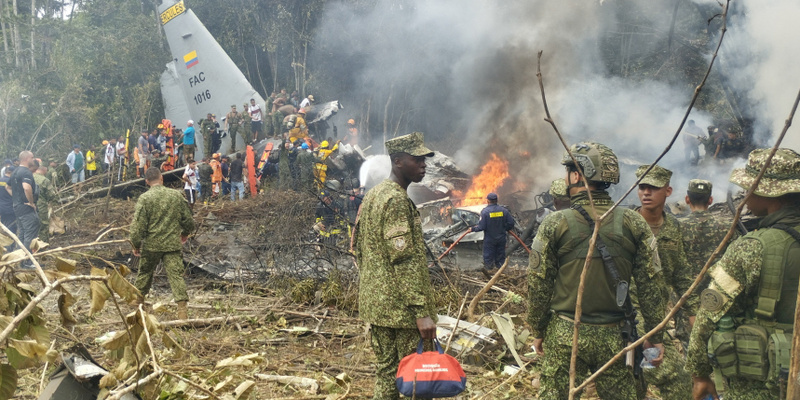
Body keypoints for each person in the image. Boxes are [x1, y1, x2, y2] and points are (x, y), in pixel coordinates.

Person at [528, 142, 666, 400]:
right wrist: (655, 336)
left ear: (578, 175)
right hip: (617, 335)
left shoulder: (555, 223)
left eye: (569, 170)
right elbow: (652, 285)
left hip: (566, 334)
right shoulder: (633, 221)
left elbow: (538, 284)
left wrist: (538, 328)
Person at [688, 147, 800, 400]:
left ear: (769, 193)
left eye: (749, 187)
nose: (744, 194)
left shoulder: (753, 246)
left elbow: (708, 315)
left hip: (762, 383)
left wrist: (700, 374)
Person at [352, 131, 438, 400]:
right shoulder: (397, 201)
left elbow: (357, 247)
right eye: (417, 159)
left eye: (424, 159)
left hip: (378, 307)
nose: (424, 165)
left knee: (387, 373)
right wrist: (421, 311)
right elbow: (404, 261)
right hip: (402, 313)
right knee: (416, 380)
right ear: (398, 161)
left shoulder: (374, 195)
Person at [633, 165, 693, 400]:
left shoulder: (673, 227)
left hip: (654, 320)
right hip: (629, 319)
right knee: (674, 377)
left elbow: (681, 274)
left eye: (653, 188)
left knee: (638, 380)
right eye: (642, 188)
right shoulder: (626, 226)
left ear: (668, 191)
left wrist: (693, 313)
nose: (646, 193)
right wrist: (645, 334)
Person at [677, 179, 738, 351]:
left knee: (691, 349)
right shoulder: (727, 227)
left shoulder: (677, 227)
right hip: (717, 297)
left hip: (687, 297)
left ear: (687, 199)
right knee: (720, 346)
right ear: (710, 200)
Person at [130, 167, 195, 320]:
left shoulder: (145, 199)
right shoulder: (176, 196)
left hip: (151, 245)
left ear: (147, 182)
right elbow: (188, 220)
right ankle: (182, 312)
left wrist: (135, 244)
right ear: (162, 178)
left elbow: (138, 226)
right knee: (176, 276)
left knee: (145, 273)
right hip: (172, 244)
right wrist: (184, 233)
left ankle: (136, 304)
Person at [469, 192, 515, 278]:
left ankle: (489, 275)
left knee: (488, 257)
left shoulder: (485, 212)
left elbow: (481, 227)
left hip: (490, 239)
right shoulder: (504, 211)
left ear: (488, 201)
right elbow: (511, 223)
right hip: (501, 238)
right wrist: (504, 228)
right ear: (496, 200)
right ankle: (501, 274)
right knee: (500, 256)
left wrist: (472, 229)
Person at [9, 151, 39, 255]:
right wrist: (31, 202)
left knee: (22, 234)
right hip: (26, 208)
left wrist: (16, 198)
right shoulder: (26, 172)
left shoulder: (15, 171)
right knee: (29, 235)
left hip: (17, 207)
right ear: (27, 159)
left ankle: (18, 258)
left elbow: (8, 187)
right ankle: (27, 261)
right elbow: (27, 188)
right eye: (32, 157)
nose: (33, 159)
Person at [33, 165, 54, 242]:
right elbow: (51, 195)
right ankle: (43, 244)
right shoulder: (44, 180)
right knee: (43, 225)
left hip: (28, 205)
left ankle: (31, 244)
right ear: (44, 169)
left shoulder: (29, 177)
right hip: (41, 205)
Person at [0, 166, 16, 235]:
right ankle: (9, 245)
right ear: (11, 172)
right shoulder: (11, 182)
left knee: (4, 226)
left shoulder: (1, 180)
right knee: (11, 228)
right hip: (10, 208)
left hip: (2, 207)